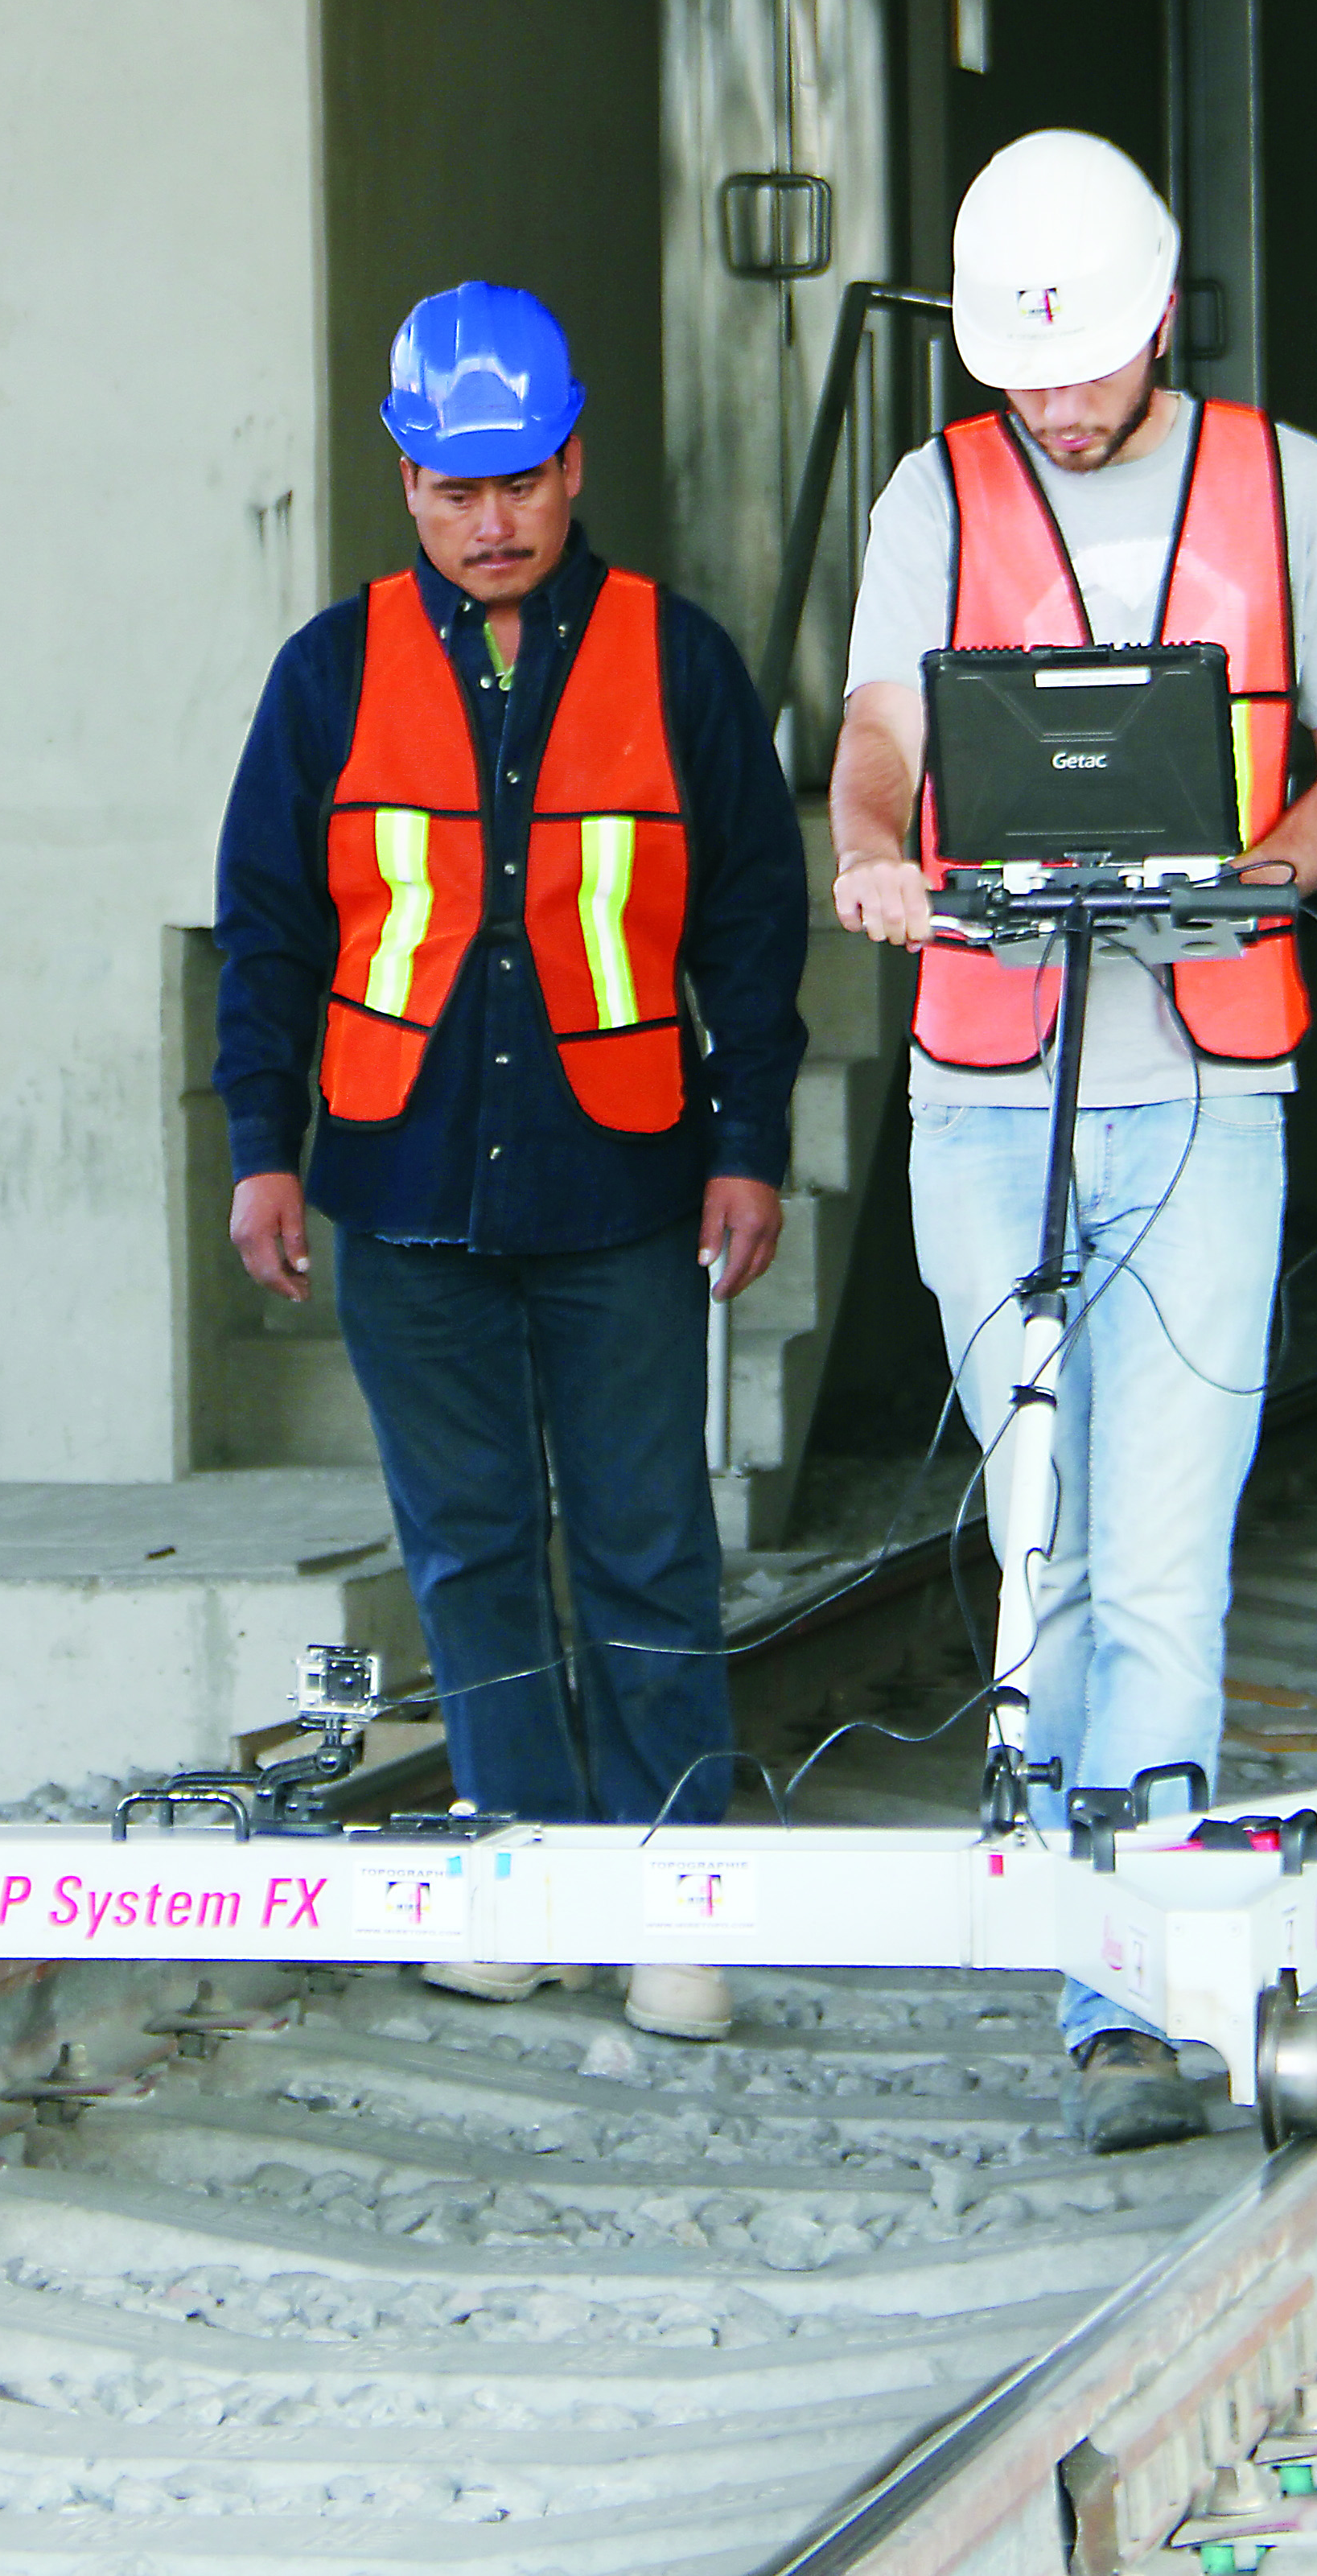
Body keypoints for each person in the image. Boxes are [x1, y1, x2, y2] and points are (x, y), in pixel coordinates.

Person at [825, 134, 1317, 2153]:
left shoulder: (1289, 488)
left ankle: (1130, 1999)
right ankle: (1111, 1946)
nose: (1057, 409)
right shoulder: (937, 490)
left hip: (1204, 1085)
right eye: (1025, 378)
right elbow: (883, 735)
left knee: (1161, 1551)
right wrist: (866, 851)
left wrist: (1265, 871)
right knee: (1049, 1542)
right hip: (991, 1084)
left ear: (1162, 317)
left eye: (1083, 371)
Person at [212, 282, 807, 2043]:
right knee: (466, 1544)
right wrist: (263, 1148)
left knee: (643, 1539)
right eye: (457, 489)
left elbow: (756, 925)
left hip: (626, 1180)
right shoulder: (326, 674)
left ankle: (672, 1904)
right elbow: (267, 929)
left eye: (524, 484)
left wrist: (752, 1141)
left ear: (574, 465)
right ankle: (525, 1880)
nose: (494, 522)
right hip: (401, 1186)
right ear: (405, 480)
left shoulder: (675, 658)